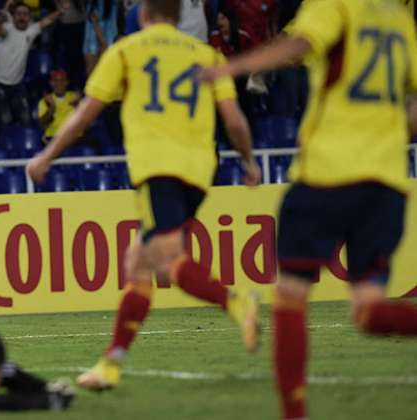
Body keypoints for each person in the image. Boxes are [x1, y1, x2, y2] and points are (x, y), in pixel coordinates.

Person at [27, 0, 261, 392]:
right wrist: (250, 161)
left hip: (158, 167)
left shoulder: (126, 50)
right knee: (139, 261)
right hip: (203, 169)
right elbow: (234, 118)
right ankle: (111, 363)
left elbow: (87, 112)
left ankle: (235, 302)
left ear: (144, 16)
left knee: (168, 262)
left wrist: (47, 155)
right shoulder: (207, 54)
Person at [200, 1, 417, 418]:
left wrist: (233, 68)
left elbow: (299, 42)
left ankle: (293, 414)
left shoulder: (336, 4)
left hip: (328, 174)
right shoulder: (399, 21)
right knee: (369, 311)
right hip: (385, 183)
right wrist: (387, 126)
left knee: (290, 298)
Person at [0, 0, 69, 126]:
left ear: (30, 17)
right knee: (6, 119)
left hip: (17, 84)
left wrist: (61, 11)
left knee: (26, 119)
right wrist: (2, 15)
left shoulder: (32, 30)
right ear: (13, 16)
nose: (22, 17)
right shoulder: (7, 27)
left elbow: (47, 20)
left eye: (25, 14)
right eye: (19, 14)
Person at [37, 70, 81, 143]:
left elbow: (86, 121)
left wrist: (77, 105)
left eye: (62, 80)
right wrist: (51, 107)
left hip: (74, 136)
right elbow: (42, 124)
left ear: (67, 83)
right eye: (55, 81)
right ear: (51, 83)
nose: (59, 83)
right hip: (54, 137)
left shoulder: (75, 97)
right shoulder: (45, 101)